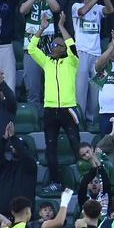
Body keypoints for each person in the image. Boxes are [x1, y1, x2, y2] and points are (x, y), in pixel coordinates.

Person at [27, 12, 83, 193]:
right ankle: (56, 182)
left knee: (77, 146)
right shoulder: (47, 62)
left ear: (63, 48)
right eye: (51, 45)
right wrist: (42, 28)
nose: (52, 47)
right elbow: (32, 48)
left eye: (56, 45)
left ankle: (85, 180)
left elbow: (72, 45)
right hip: (50, 109)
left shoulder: (72, 62)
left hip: (68, 109)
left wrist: (61, 26)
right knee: (51, 148)